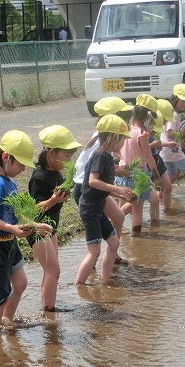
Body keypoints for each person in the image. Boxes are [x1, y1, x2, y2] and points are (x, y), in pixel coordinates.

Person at [0, 130, 51, 331]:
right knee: (0, 297)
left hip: (9, 242)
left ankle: (6, 321)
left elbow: (15, 214)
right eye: (20, 164)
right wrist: (11, 228)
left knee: (20, 284)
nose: (22, 169)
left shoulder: (10, 182)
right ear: (6, 157)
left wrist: (35, 226)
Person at [75, 115, 134, 285]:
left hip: (98, 205)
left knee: (114, 243)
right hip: (89, 208)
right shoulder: (100, 155)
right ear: (113, 138)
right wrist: (116, 189)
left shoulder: (107, 157)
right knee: (94, 251)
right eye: (122, 139)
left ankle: (106, 281)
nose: (123, 143)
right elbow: (92, 181)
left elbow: (102, 185)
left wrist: (120, 194)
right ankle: (79, 285)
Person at [28, 125, 81, 311]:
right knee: (53, 270)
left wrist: (61, 197)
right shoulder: (39, 177)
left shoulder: (55, 173)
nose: (69, 161)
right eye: (66, 156)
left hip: (51, 227)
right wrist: (53, 200)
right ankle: (49, 313)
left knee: (52, 271)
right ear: (51, 153)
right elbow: (32, 210)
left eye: (71, 157)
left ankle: (48, 306)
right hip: (37, 228)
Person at [116, 94, 161, 234]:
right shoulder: (142, 134)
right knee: (137, 210)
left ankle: (118, 232)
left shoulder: (125, 129)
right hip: (138, 176)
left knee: (122, 204)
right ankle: (136, 238)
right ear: (148, 117)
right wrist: (157, 176)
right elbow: (148, 156)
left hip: (122, 173)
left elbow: (117, 151)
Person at [159, 84, 185, 202]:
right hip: (173, 150)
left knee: (172, 175)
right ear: (175, 99)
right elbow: (170, 133)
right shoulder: (173, 114)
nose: (184, 104)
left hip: (166, 151)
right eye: (181, 101)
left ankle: (160, 198)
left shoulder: (175, 113)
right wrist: (182, 134)